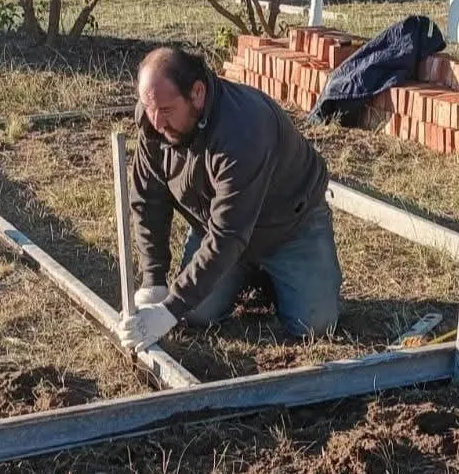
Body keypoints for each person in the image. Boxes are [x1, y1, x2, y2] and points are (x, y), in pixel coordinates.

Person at [116, 45, 342, 351]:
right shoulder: (154, 119)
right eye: (148, 106)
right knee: (196, 313)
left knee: (315, 325)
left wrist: (170, 309)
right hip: (217, 226)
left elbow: (229, 234)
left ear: (197, 93)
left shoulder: (244, 130)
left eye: (167, 111)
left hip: (288, 227)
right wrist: (154, 282)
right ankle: (244, 273)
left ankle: (271, 276)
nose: (156, 122)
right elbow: (148, 199)